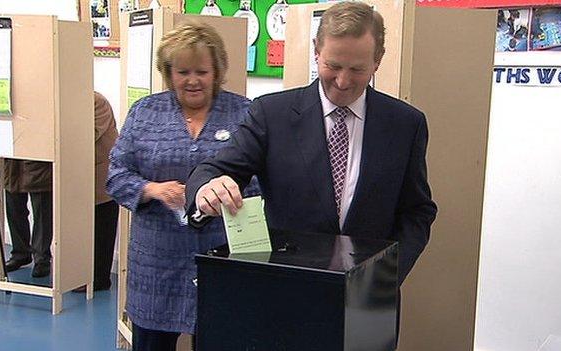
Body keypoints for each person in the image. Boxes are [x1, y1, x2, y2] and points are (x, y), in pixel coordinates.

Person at [185, 1, 437, 339]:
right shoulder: (271, 115)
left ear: (378, 60)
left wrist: (384, 277)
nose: (343, 81)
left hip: (369, 304)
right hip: (287, 293)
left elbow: (417, 212)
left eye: (358, 69)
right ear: (317, 51)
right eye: (333, 65)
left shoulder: (405, 124)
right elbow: (216, 169)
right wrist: (206, 189)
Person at [106, 21, 258, 351]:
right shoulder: (145, 112)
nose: (192, 80)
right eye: (182, 71)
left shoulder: (244, 113)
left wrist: (228, 192)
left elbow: (261, 181)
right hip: (156, 265)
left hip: (222, 258)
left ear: (217, 71)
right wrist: (152, 190)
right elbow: (116, 175)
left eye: (201, 71)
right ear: (168, 72)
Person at [73, 92, 119, 292]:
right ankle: (84, 275)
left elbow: (89, 134)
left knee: (103, 229)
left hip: (101, 177)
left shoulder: (96, 101)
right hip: (82, 177)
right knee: (85, 230)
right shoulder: (72, 101)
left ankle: (100, 278)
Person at [3, 160, 53, 278]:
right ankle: (20, 253)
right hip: (12, 166)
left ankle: (42, 259)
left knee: (42, 215)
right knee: (14, 210)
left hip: (40, 164)